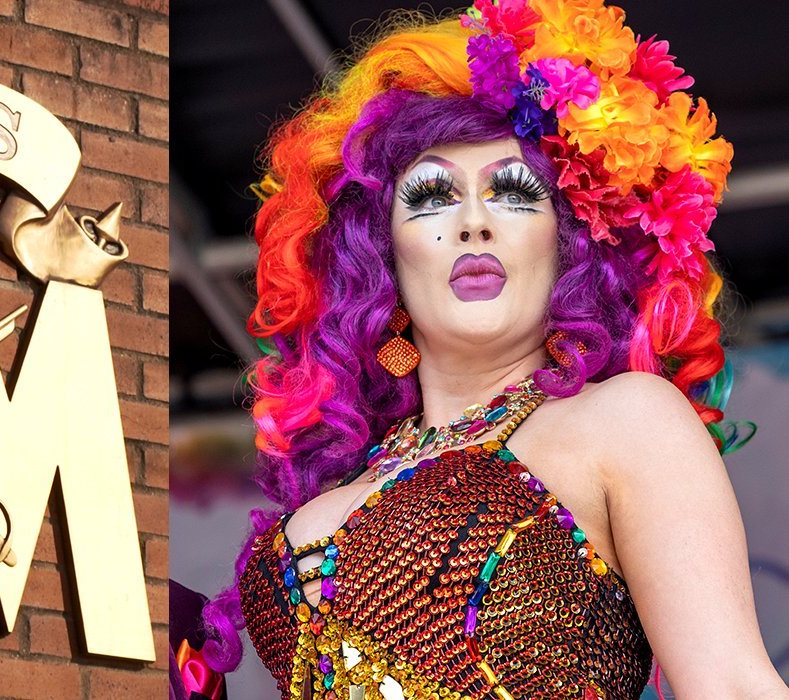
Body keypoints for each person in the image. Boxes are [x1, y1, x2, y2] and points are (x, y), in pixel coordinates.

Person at [201, 2, 789, 698]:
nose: (473, 222)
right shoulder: (356, 471)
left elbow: (728, 684)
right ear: (380, 255)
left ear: (569, 244)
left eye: (513, 194)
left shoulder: (625, 420)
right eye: (430, 198)